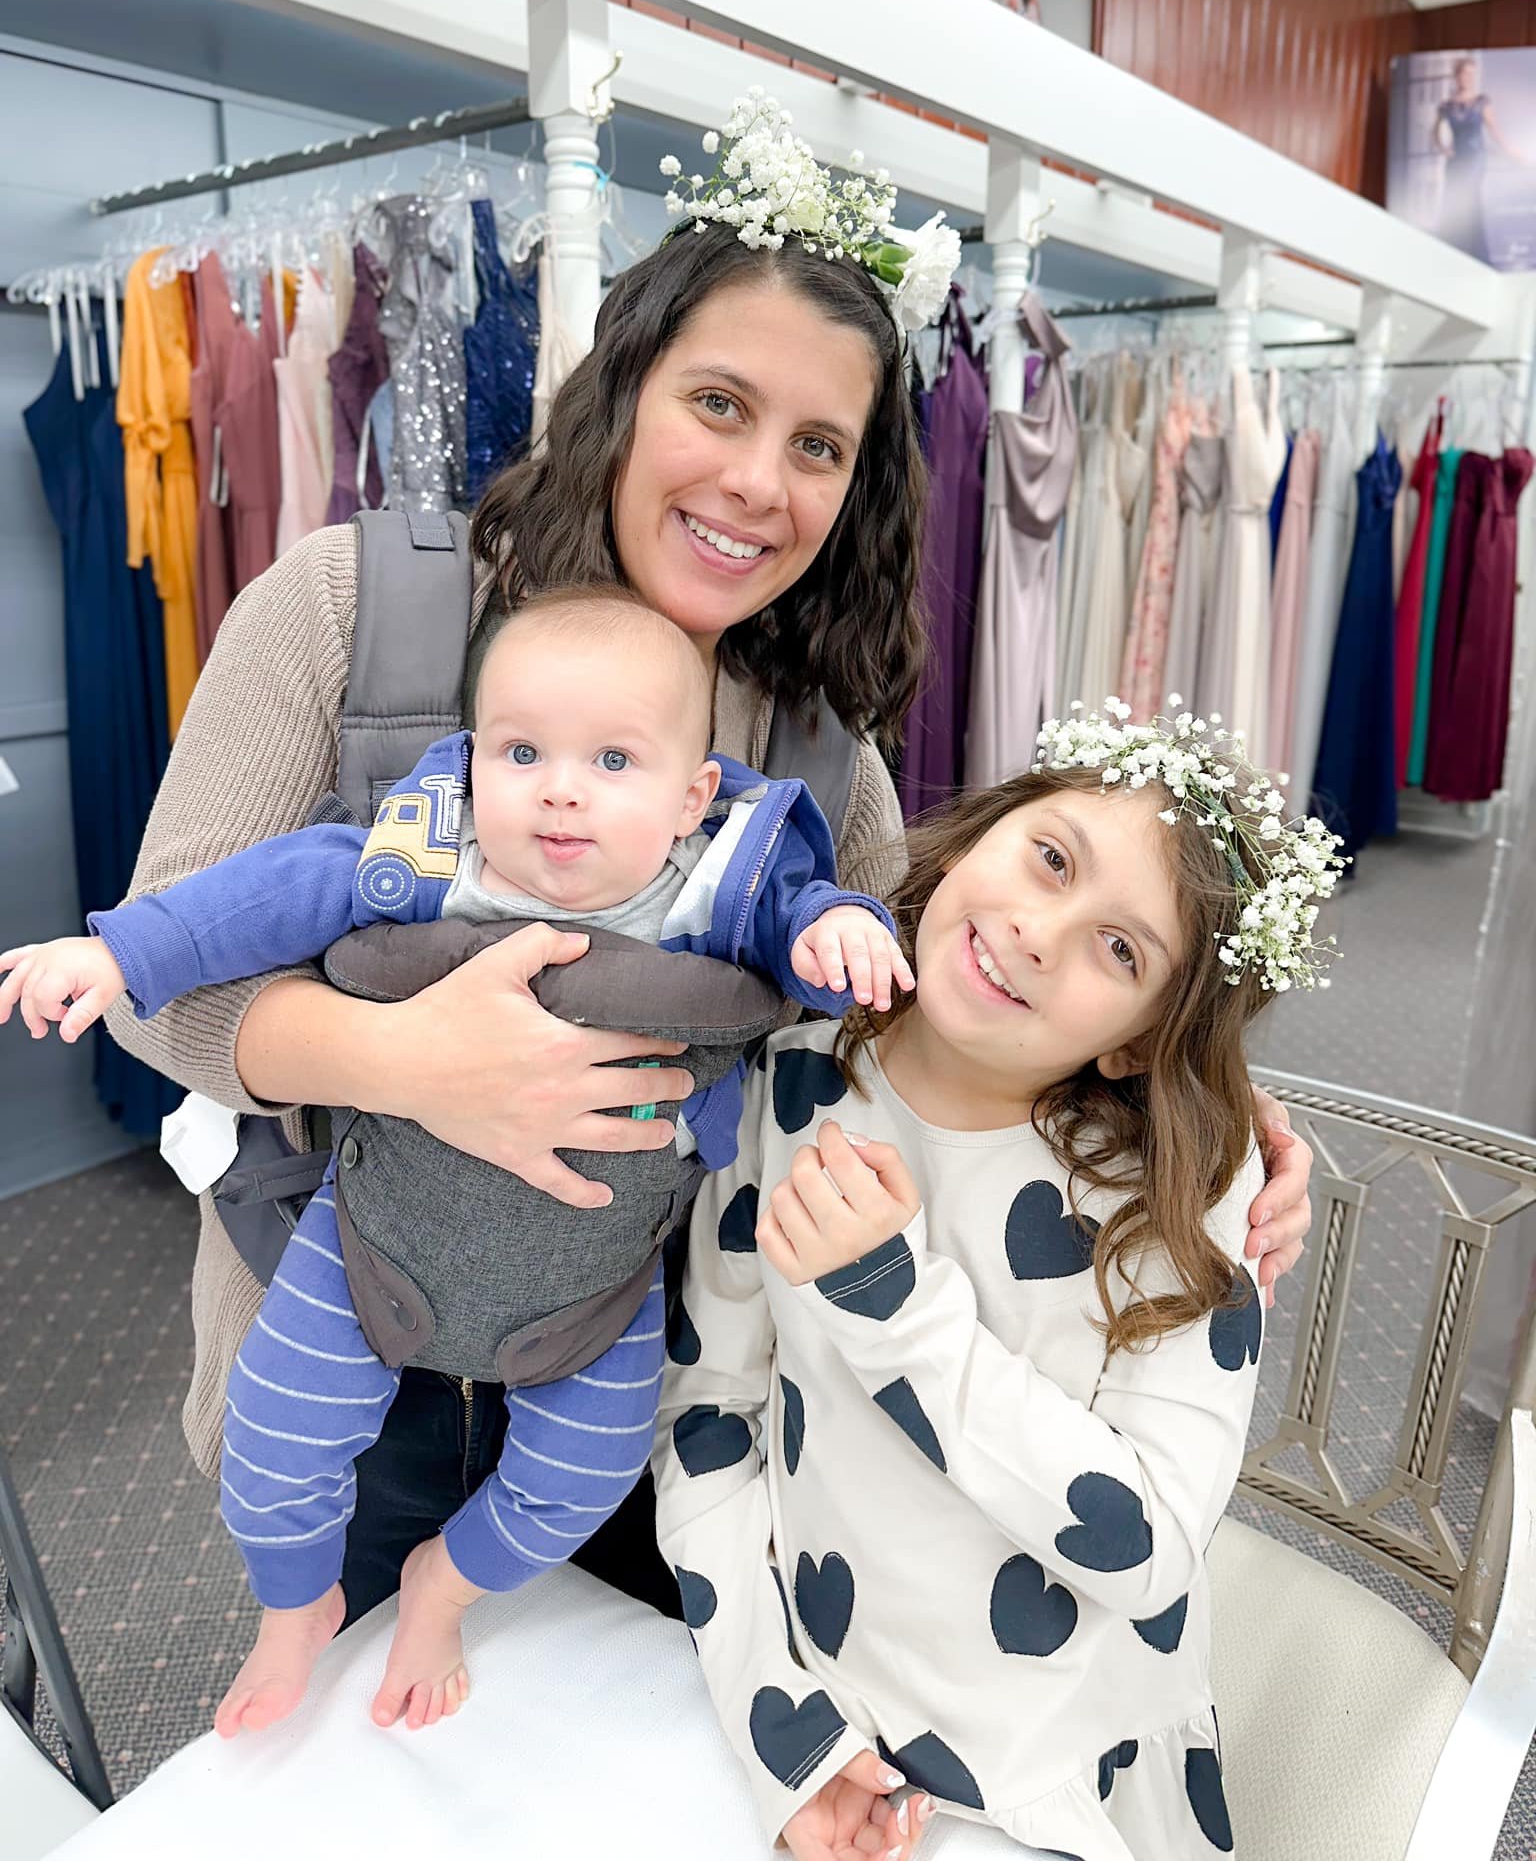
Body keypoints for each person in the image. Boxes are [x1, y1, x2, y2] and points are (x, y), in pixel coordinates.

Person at [79, 88, 1314, 1642]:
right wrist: (408, 1061)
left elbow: (940, 1021)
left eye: (817, 446)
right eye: (718, 404)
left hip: (633, 1390)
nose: (756, 482)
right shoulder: (348, 608)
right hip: (332, 1353)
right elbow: (149, 988)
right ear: (624, 385)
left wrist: (1203, 1127)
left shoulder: (822, 764)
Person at [0, 585, 909, 1736]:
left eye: (614, 759)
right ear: (473, 760)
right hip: (373, 1243)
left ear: (693, 799)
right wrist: (121, 952)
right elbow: (269, 890)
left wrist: (838, 931)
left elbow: (818, 953)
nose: (560, 787)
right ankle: (296, 1606)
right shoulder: (434, 857)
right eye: (521, 750)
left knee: (580, 1480)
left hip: (596, 1288)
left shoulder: (718, 891)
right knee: (269, 1446)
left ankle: (445, 1584)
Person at [655, 703, 1345, 1861]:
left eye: (1119, 948)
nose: (1037, 930)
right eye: (1051, 857)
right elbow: (709, 1413)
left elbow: (1149, 1540)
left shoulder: (1183, 1192)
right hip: (819, 1716)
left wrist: (892, 1301)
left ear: (1137, 1039)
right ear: (987, 827)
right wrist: (784, 1725)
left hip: (1061, 1779)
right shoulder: (789, 1085)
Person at [1434, 56, 1526, 264]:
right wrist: (1443, 148)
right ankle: (1451, 250)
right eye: (1464, 73)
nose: (1467, 78)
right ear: (1456, 76)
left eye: (1471, 74)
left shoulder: (1481, 101)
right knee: (1454, 200)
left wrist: (1510, 150)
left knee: (1472, 201)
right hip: (1456, 161)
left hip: (1476, 159)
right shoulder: (1446, 106)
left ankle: (1476, 255)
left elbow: (1494, 131)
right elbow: (1434, 132)